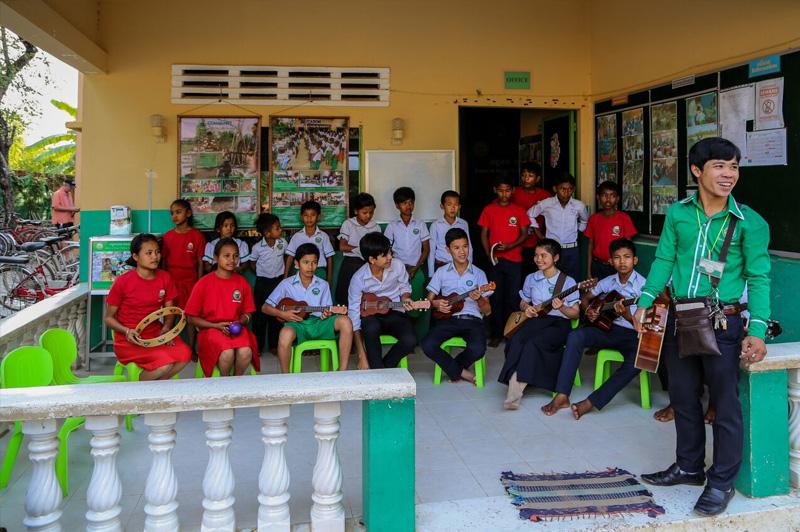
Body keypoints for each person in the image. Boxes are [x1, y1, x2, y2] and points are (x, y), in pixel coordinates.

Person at [634, 137, 771, 517]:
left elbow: (759, 278)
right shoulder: (678, 214)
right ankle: (689, 467)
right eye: (720, 166)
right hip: (680, 316)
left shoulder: (750, 223)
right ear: (697, 171)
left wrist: (756, 329)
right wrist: (645, 300)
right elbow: (663, 259)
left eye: (734, 167)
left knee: (725, 404)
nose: (729, 174)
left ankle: (722, 480)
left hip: (723, 320)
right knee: (683, 396)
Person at [541, 238, 644, 417]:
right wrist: (589, 310)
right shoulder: (609, 281)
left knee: (637, 362)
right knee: (575, 336)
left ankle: (590, 402)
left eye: (627, 257)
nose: (622, 261)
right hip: (608, 329)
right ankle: (562, 395)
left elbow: (646, 324)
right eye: (617, 258)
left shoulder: (645, 286)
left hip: (633, 335)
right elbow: (585, 299)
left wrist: (626, 315)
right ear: (611, 261)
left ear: (635, 260)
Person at [499, 238, 580, 410]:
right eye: (536, 255)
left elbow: (575, 314)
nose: (539, 259)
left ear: (556, 258)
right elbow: (523, 301)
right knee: (516, 339)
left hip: (559, 324)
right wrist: (527, 308)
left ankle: (515, 389)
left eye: (544, 255)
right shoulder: (531, 278)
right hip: (536, 321)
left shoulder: (568, 282)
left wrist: (563, 307)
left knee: (533, 343)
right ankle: (520, 376)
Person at [104, 234, 191, 380]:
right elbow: (108, 318)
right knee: (164, 364)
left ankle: (154, 388)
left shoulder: (165, 277)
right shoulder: (122, 282)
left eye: (157, 252)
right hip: (129, 339)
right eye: (149, 253)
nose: (155, 257)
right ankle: (141, 390)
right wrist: (127, 332)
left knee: (185, 354)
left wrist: (167, 329)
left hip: (155, 334)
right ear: (136, 256)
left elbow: (170, 311)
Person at [263, 243, 353, 373]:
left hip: (319, 323)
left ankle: (342, 371)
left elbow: (326, 310)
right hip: (297, 325)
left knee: (346, 322)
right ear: (297, 263)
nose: (310, 267)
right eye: (306, 262)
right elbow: (265, 307)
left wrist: (327, 313)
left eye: (314, 262)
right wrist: (283, 315)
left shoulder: (323, 285)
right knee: (284, 333)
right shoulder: (286, 284)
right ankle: (285, 376)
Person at [421, 228, 491, 384]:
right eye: (456, 247)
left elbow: (488, 311)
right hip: (448, 320)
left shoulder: (479, 274)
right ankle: (463, 373)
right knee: (427, 343)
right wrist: (436, 304)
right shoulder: (441, 272)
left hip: (473, 320)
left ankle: (455, 370)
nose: (462, 251)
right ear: (448, 250)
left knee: (478, 349)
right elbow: (428, 302)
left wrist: (479, 299)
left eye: (465, 246)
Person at [185, 238, 259, 377]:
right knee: (227, 353)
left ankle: (235, 382)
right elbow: (191, 319)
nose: (232, 259)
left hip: (236, 329)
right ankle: (224, 382)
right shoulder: (203, 283)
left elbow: (248, 313)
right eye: (226, 256)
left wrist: (241, 321)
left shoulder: (242, 282)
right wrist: (215, 326)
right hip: (210, 330)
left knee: (246, 351)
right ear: (216, 258)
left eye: (235, 255)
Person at [348, 232, 417, 369]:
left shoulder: (398, 266)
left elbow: (404, 287)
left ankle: (383, 368)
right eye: (385, 255)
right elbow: (354, 316)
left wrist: (406, 298)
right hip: (371, 316)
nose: (390, 257)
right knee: (371, 328)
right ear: (372, 259)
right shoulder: (358, 278)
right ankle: (377, 370)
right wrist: (361, 356)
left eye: (390, 252)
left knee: (411, 340)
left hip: (395, 312)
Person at [478, 175, 530, 347]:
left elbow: (524, 234)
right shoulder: (488, 209)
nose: (504, 194)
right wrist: (489, 255)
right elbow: (484, 235)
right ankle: (496, 334)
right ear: (495, 190)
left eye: (507, 190)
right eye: (500, 190)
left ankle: (511, 332)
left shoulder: (519, 210)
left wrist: (510, 246)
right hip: (496, 262)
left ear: (512, 191)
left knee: (513, 298)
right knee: (496, 298)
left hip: (515, 260)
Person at [527, 173, 589, 281]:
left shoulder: (579, 205)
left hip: (571, 249)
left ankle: (572, 298)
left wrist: (577, 231)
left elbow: (585, 221)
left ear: (573, 189)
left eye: (569, 189)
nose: (566, 192)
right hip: (552, 249)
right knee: (551, 279)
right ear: (555, 188)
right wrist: (540, 236)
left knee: (572, 279)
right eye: (562, 189)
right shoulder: (546, 204)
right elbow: (529, 214)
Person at [383, 187, 431, 315]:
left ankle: (416, 330)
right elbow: (387, 249)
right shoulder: (392, 226)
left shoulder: (420, 224)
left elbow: (426, 250)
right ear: (397, 206)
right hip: (396, 270)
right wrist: (400, 268)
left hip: (416, 269)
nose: (408, 206)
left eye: (411, 202)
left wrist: (415, 269)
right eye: (404, 203)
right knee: (397, 303)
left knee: (416, 304)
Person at [249, 213, 287, 354]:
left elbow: (287, 257)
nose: (280, 230)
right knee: (259, 316)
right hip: (262, 283)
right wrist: (261, 274)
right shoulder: (257, 247)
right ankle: (257, 347)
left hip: (278, 283)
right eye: (277, 228)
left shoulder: (283, 243)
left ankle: (274, 346)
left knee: (276, 315)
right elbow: (252, 263)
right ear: (267, 233)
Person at [584, 181, 638, 279]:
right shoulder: (593, 219)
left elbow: (629, 247)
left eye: (612, 196)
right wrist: (588, 272)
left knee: (615, 293)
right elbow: (590, 246)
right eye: (604, 195)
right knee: (597, 292)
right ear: (598, 197)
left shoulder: (624, 218)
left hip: (617, 266)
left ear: (617, 199)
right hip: (597, 265)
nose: (608, 199)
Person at [336, 193, 379, 305]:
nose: (368, 216)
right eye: (364, 213)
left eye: (371, 212)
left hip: (369, 265)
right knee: (347, 297)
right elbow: (342, 246)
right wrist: (361, 249)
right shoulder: (348, 224)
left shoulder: (375, 227)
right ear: (356, 211)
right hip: (351, 264)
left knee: (367, 299)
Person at [511, 162, 551, 279]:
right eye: (523, 175)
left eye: (530, 175)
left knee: (536, 275)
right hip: (516, 242)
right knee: (518, 276)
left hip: (537, 242)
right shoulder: (513, 193)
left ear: (537, 179)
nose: (526, 178)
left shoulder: (545, 195)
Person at [284, 200, 335, 285]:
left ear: (318, 217)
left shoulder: (323, 236)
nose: (309, 218)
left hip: (319, 271)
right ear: (301, 217)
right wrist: (285, 278)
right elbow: (290, 257)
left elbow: (329, 258)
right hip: (300, 273)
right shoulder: (296, 236)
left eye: (313, 215)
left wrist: (329, 279)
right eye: (306, 215)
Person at [427, 190, 472, 275]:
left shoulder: (463, 224)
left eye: (456, 205)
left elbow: (469, 247)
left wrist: (469, 268)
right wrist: (431, 274)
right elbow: (431, 251)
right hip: (441, 265)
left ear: (459, 207)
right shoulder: (436, 225)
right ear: (442, 206)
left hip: (460, 266)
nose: (453, 208)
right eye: (449, 204)